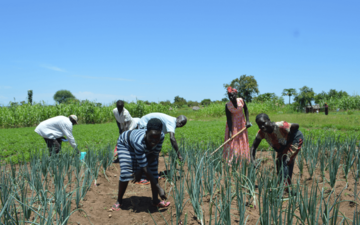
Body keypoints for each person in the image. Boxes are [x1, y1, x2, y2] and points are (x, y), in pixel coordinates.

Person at [112, 118, 170, 210]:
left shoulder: (161, 136)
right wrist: (159, 188)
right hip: (126, 144)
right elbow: (144, 166)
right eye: (151, 137)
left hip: (142, 146)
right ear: (146, 133)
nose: (154, 141)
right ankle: (119, 201)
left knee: (153, 171)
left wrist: (140, 169)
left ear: (160, 134)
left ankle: (155, 201)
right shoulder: (139, 142)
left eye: (156, 138)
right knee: (126, 172)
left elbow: (154, 155)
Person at [250, 113, 303, 187]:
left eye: (264, 123)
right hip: (284, 146)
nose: (262, 126)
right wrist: (253, 160)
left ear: (269, 120)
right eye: (259, 125)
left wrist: (288, 136)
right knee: (279, 162)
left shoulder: (280, 125)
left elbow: (296, 125)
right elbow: (253, 147)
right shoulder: (262, 133)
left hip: (295, 139)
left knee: (286, 160)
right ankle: (282, 184)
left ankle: (284, 187)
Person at [224, 86, 251, 164]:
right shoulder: (228, 105)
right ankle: (233, 159)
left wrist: (248, 121)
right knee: (234, 141)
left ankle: (243, 158)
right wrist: (230, 131)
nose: (231, 97)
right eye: (229, 96)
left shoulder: (241, 101)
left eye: (233, 95)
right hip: (233, 125)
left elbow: (246, 110)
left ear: (236, 95)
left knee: (242, 139)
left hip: (242, 123)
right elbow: (228, 119)